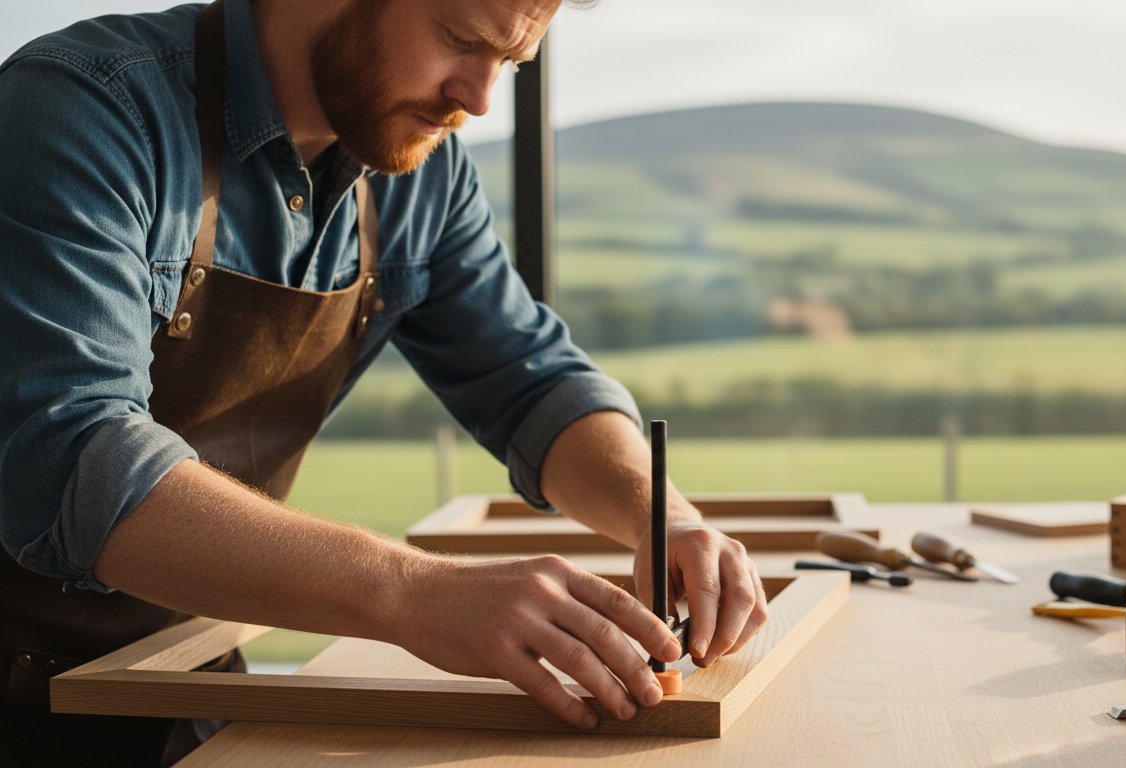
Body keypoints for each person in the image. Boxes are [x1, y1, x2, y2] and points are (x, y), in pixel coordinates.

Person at [0, 0, 768, 762]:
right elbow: (70, 459)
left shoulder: (415, 174)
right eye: (462, 40)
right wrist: (414, 593)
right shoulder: (80, 105)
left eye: (512, 62)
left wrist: (658, 514)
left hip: (184, 678)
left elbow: (532, 381)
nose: (479, 98)